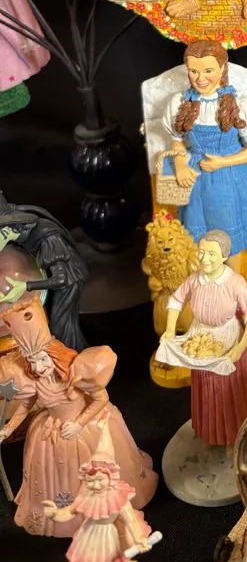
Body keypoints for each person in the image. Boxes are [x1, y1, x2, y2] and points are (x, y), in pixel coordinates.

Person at [0, 299, 156, 538]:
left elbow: (101, 399)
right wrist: (9, 428)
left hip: (87, 426)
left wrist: (79, 423)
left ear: (54, 356)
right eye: (33, 362)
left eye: (43, 359)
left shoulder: (75, 373)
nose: (39, 367)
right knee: (59, 479)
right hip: (52, 431)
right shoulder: (36, 383)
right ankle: (69, 515)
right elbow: (26, 406)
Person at [163, 40, 247, 270]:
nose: (200, 78)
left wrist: (222, 162)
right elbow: (177, 141)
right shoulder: (180, 103)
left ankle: (231, 282)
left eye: (208, 70)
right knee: (199, 239)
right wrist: (181, 165)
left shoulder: (240, 104)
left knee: (228, 238)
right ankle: (205, 284)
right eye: (194, 71)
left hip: (228, 180)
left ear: (222, 68)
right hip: (196, 179)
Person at [158, 230, 247, 449]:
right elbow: (176, 301)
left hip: (229, 337)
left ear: (224, 256)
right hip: (200, 337)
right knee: (207, 390)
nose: (204, 258)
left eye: (211, 254)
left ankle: (233, 437)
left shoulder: (235, 283)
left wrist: (240, 347)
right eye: (201, 252)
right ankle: (212, 432)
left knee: (229, 392)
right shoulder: (194, 280)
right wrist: (169, 329)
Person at [43, 408, 158, 561]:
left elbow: (130, 520)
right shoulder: (87, 495)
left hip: (111, 534)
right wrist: (55, 514)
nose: (96, 486)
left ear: (110, 478)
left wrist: (139, 538)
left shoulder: (117, 498)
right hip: (92, 533)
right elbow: (70, 511)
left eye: (100, 480)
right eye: (91, 481)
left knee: (114, 553)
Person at [0, 190, 89, 350]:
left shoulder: (48, 239)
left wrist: (24, 286)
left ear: (8, 229)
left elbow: (61, 279)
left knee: (61, 326)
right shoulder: (23, 231)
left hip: (68, 282)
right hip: (56, 278)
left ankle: (71, 355)